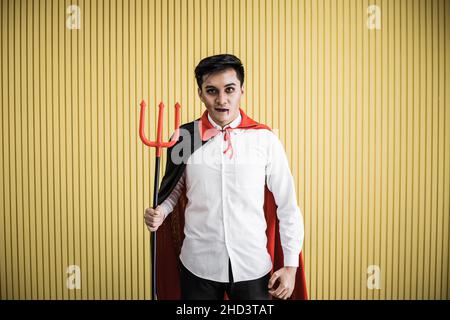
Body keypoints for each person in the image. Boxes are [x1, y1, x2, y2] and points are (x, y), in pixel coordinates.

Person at [144, 54, 307, 300]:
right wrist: (161, 212)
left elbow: (287, 205)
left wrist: (291, 266)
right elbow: (175, 191)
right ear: (200, 93)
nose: (222, 100)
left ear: (241, 89)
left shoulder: (265, 139)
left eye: (229, 89)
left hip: (252, 265)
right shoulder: (184, 137)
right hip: (198, 265)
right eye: (211, 91)